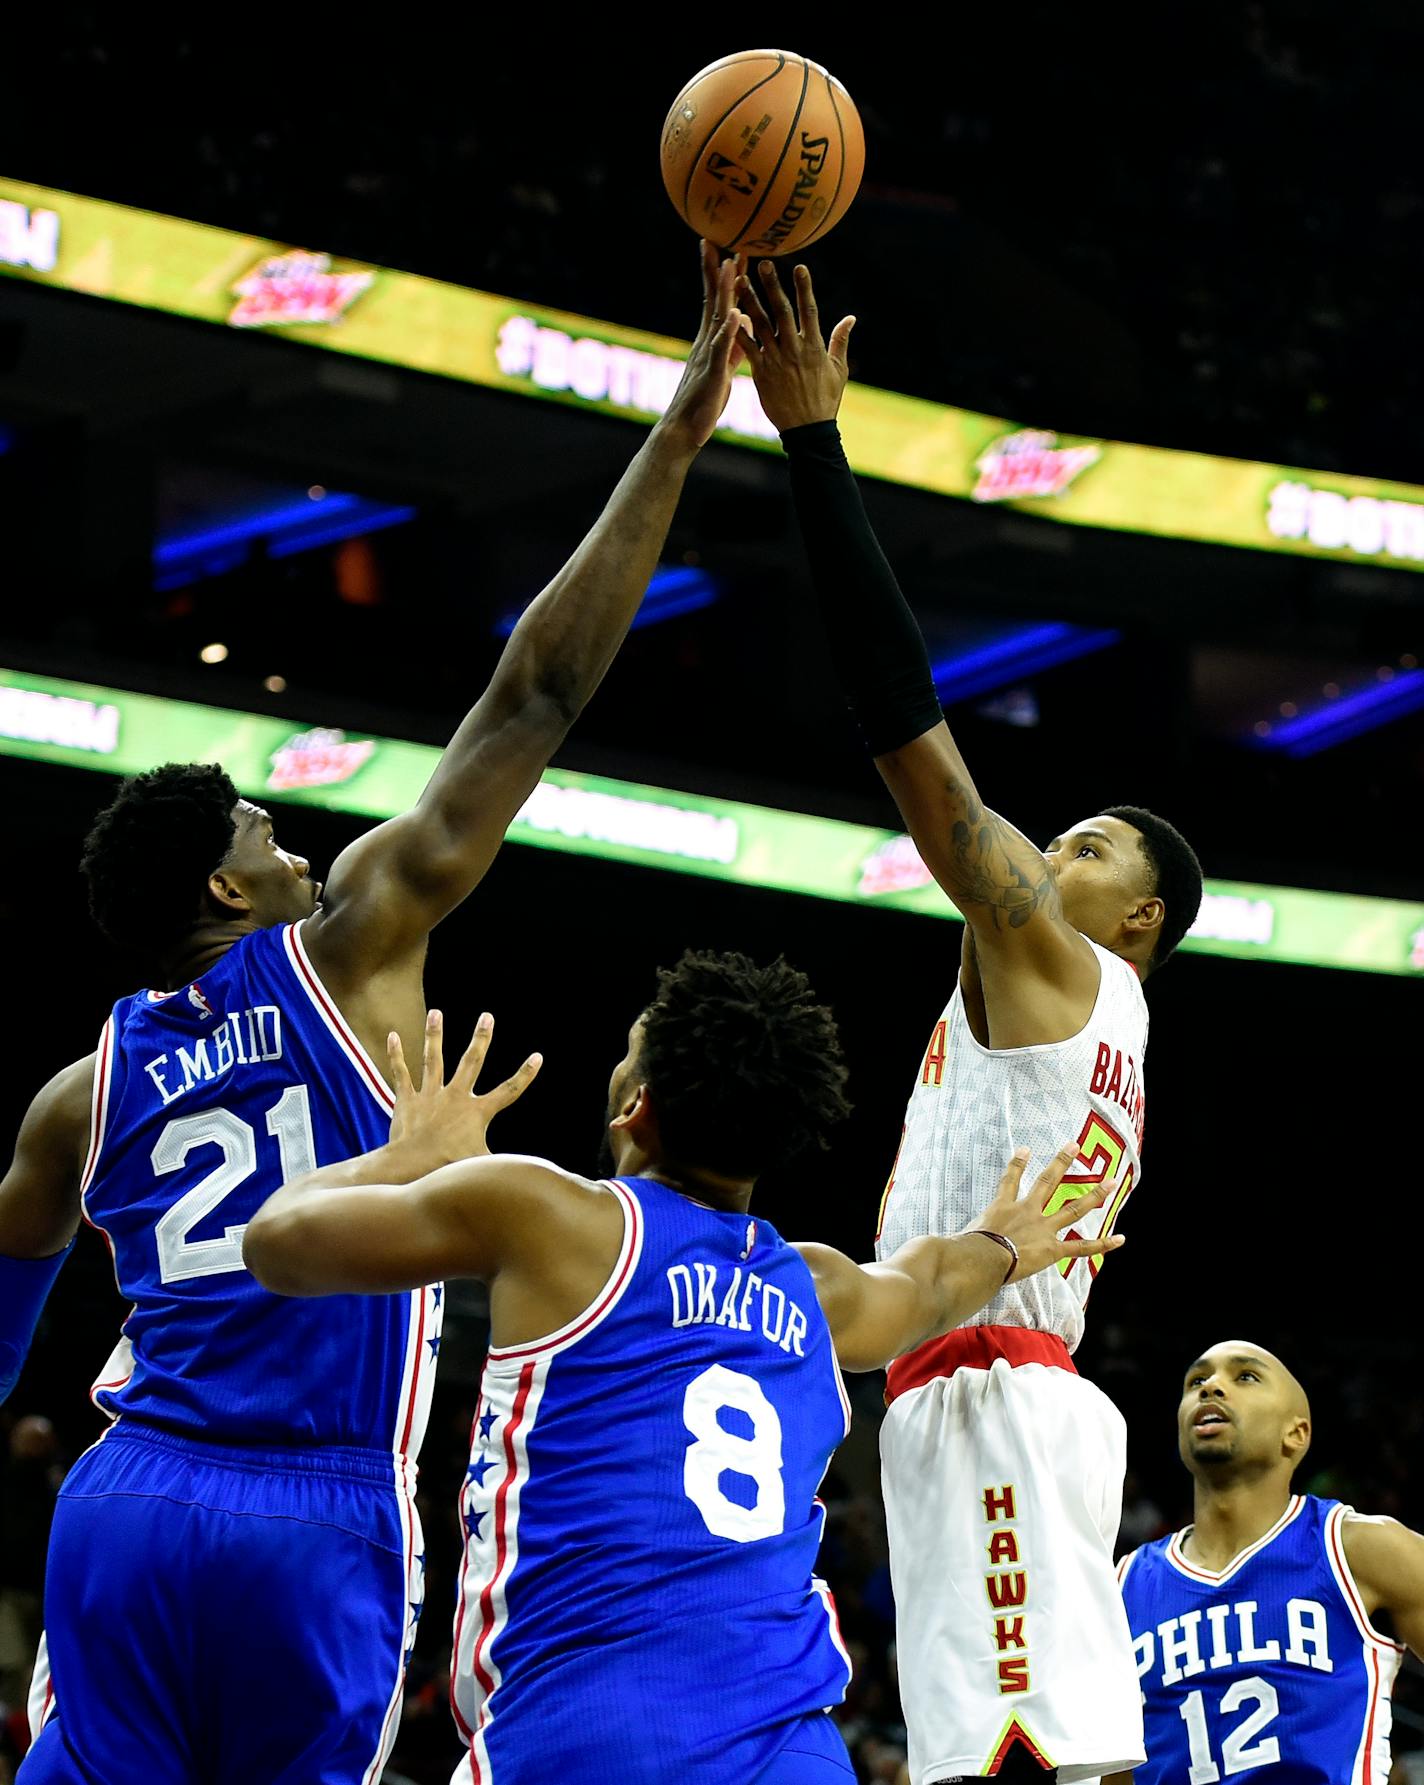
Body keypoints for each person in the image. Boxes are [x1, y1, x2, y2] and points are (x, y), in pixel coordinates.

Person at [0, 244, 750, 1785]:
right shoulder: (346, 944)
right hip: (314, 1502)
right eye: (261, 835)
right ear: (224, 896)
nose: (287, 840)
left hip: (126, 1490)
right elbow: (532, 698)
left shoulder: (81, 1093)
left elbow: (6, 1278)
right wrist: (677, 435)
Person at [242, 953, 1122, 1785]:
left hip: (586, 1723)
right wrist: (1005, 1245)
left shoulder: (547, 1213)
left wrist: (404, 1157)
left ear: (635, 1106)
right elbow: (930, 1283)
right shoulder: (817, 1288)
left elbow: (275, 1244)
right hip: (794, 1744)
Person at [736, 259, 1205, 1785]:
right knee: (997, 1756)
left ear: (1136, 916)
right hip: (977, 1387)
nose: (1043, 855)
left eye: (1086, 851)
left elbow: (914, 753)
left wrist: (815, 449)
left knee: (1019, 1768)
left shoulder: (1069, 973)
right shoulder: (1075, 1009)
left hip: (993, 1387)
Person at [1106, 1340, 1424, 1785]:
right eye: (1196, 1381)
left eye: (1245, 1377)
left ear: (1296, 1433)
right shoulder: (1119, 1588)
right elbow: (1109, 1767)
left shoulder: (1359, 1549)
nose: (1211, 1388)